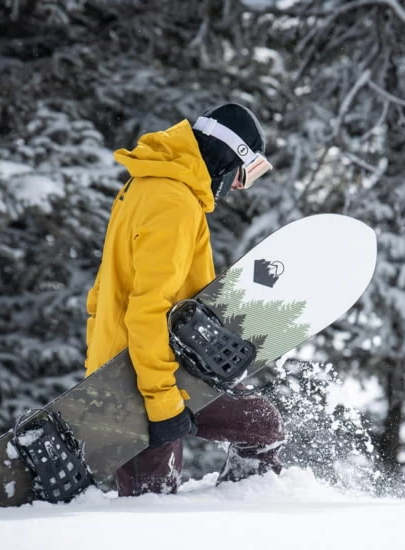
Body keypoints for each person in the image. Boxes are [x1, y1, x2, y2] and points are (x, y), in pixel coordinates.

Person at [83, 103, 285, 496]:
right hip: (142, 379)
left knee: (261, 424)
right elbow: (148, 309)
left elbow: (101, 294)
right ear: (229, 156)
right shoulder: (172, 202)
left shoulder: (146, 186)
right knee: (149, 507)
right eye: (248, 171)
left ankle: (246, 518)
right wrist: (160, 403)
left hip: (156, 365)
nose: (242, 185)